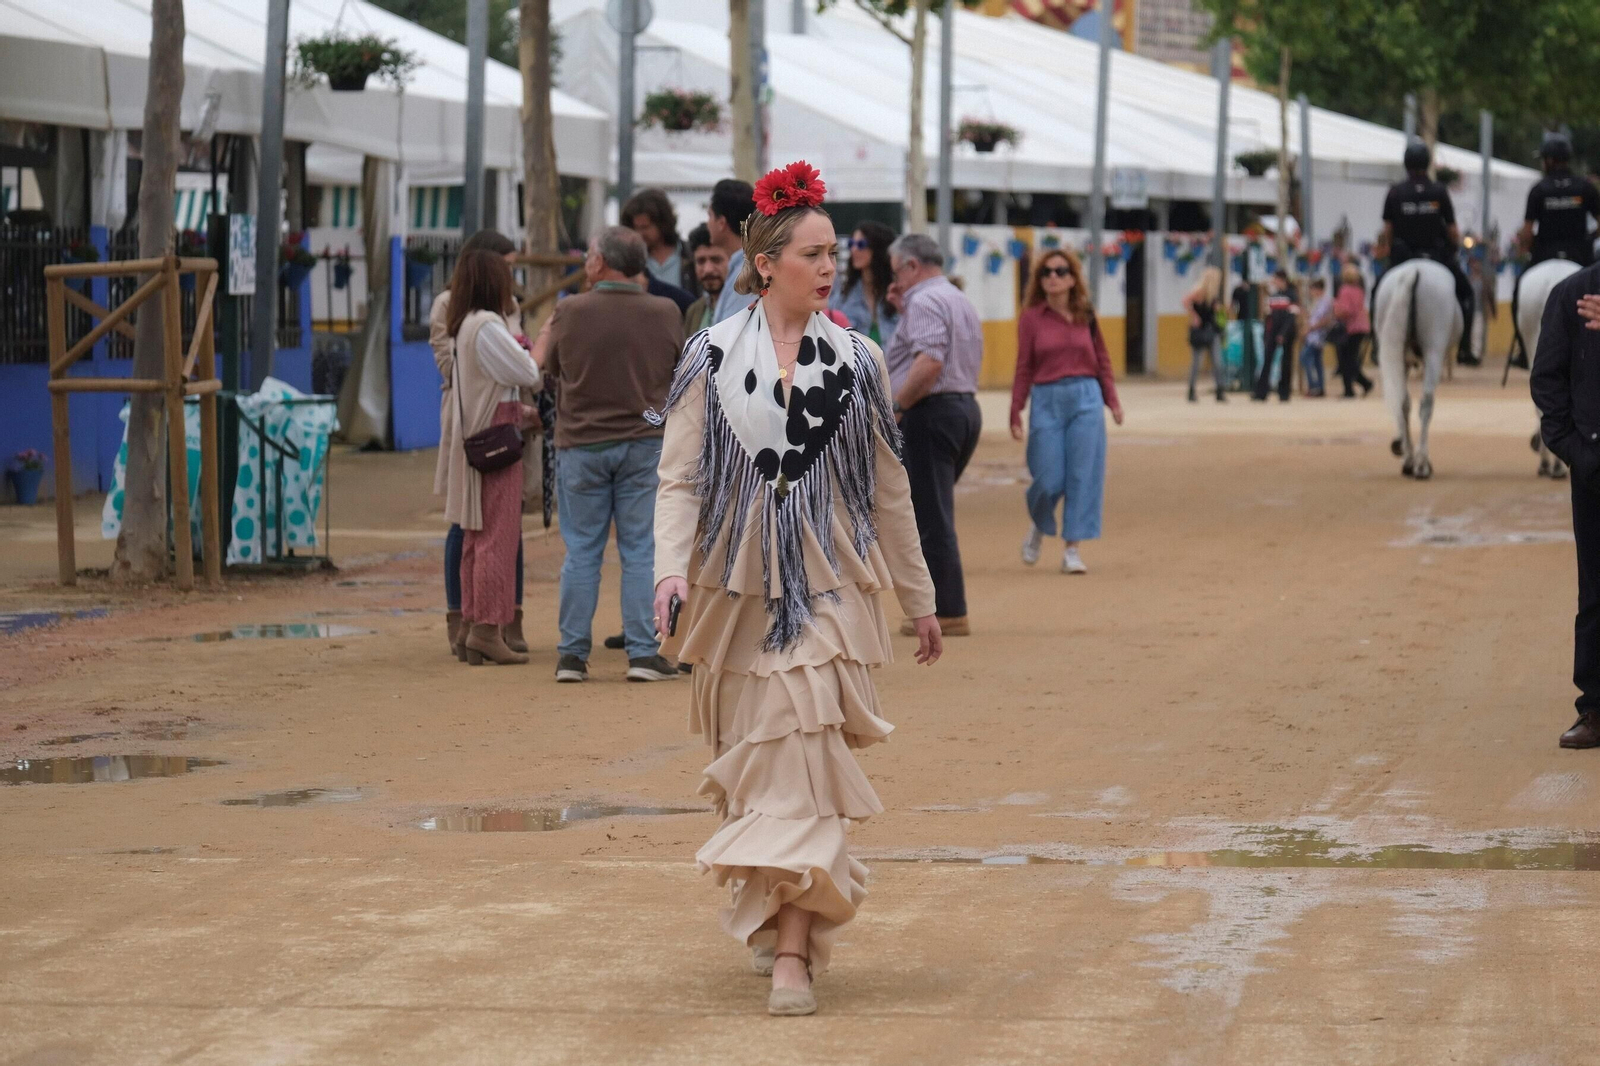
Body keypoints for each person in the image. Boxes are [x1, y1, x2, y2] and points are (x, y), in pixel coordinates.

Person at [649, 160, 940, 1016]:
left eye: (836, 253)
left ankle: (792, 955)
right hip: (732, 590)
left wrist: (919, 599)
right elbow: (678, 479)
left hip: (829, 585)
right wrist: (669, 566)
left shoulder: (857, 359)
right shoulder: (709, 355)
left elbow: (890, 489)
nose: (830, 267)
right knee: (757, 766)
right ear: (765, 260)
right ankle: (784, 908)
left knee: (805, 752)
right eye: (813, 253)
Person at [545, 226, 684, 683]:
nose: (586, 261)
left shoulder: (569, 310)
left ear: (601, 262)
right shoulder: (665, 311)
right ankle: (643, 651)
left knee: (581, 550)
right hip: (645, 440)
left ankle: (571, 655)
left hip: (581, 443)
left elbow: (551, 371)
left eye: (589, 255)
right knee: (641, 549)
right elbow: (677, 373)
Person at [439, 249, 543, 665]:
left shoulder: (464, 325)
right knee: (497, 539)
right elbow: (527, 373)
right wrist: (543, 341)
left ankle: (471, 624)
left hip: (477, 434)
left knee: (475, 536)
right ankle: (487, 627)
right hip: (496, 439)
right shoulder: (487, 327)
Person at [881, 233, 984, 636]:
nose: (896, 283)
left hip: (931, 412)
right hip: (962, 409)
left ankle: (947, 609)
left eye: (897, 273)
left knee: (929, 513)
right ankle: (946, 605)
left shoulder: (924, 300)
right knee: (933, 509)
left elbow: (929, 363)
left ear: (911, 266)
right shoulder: (955, 297)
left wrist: (897, 407)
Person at [1010, 248, 1124, 575]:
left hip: (1086, 397)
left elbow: (1102, 359)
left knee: (1082, 475)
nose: (1053, 277)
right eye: (1046, 272)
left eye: (1060, 271)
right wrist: (1015, 410)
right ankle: (1039, 523)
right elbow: (1023, 366)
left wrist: (1112, 401)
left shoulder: (1085, 312)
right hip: (1046, 398)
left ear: (1073, 278)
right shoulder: (1031, 317)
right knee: (1048, 479)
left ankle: (1072, 548)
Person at [1531, 259, 1600, 747]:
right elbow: (1547, 380)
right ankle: (1594, 708)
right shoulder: (1570, 292)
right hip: (1594, 466)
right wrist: (1578, 454)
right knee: (1595, 590)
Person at [1377, 141, 1476, 364]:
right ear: (1428, 163)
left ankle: (1377, 345)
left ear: (1406, 164)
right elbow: (1452, 230)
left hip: (1403, 258)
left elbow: (1388, 230)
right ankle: (1464, 348)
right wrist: (1455, 246)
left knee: (1377, 291)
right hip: (1436, 257)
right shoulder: (1438, 191)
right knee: (1467, 294)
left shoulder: (1395, 192)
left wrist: (1388, 251)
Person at [1518, 134, 1600, 268]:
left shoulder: (1538, 190)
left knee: (1520, 284)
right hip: (1580, 256)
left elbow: (1527, 232)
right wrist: (1591, 237)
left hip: (1544, 256)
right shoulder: (1585, 187)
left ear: (1549, 160)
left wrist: (1525, 245)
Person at [829, 220, 899, 348]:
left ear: (877, 247)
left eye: (861, 244)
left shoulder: (897, 293)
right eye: (851, 244)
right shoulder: (844, 296)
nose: (854, 249)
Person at [708, 178, 756, 324]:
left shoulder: (745, 274)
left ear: (721, 223)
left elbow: (731, 338)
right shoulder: (742, 267)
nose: (707, 223)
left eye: (709, 216)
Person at [622, 187, 690, 290]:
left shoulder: (689, 255)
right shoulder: (629, 260)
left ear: (663, 224)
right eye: (635, 228)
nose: (639, 234)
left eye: (645, 227)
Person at [1253, 270, 1299, 402]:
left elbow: (1291, 317)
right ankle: (1261, 392)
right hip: (1273, 332)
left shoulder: (1292, 295)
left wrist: (1283, 333)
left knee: (1286, 362)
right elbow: (1269, 317)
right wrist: (1267, 334)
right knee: (1267, 361)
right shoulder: (1273, 296)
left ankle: (1284, 392)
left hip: (1287, 332)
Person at [1183, 265, 1226, 403]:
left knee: (1217, 362)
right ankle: (1191, 390)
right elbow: (1185, 301)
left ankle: (1220, 390)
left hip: (1212, 330)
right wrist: (1194, 316)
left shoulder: (1213, 295)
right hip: (1200, 331)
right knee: (1196, 363)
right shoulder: (1199, 292)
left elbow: (1216, 310)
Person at [1332, 262, 1374, 398]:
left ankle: (1352, 388)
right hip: (1362, 326)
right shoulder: (1359, 290)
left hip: (1350, 328)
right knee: (1351, 358)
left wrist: (1336, 309)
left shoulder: (1344, 290)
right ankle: (1359, 384)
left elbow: (1346, 310)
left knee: (1346, 359)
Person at [681, 224, 728, 333]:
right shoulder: (694, 311)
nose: (708, 270)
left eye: (716, 260)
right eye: (701, 261)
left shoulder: (748, 306)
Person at [1299, 277, 1334, 398]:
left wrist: (1310, 328)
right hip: (1313, 335)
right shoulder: (1317, 302)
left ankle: (1314, 386)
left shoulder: (1325, 302)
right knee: (1317, 362)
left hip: (1317, 336)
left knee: (1305, 358)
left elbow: (1324, 319)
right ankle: (1320, 386)